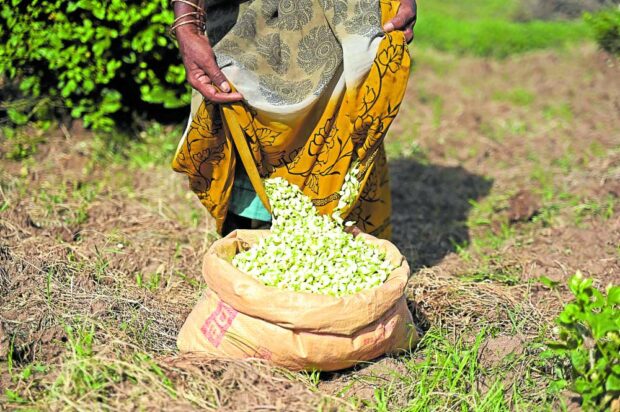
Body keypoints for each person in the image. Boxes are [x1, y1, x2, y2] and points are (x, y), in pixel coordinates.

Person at [171, 0, 417, 238]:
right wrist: (186, 22)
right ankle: (252, 229)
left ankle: (327, 232)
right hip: (246, 14)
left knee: (346, 101)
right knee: (239, 96)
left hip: (344, 15)